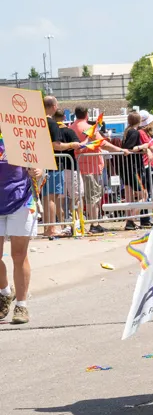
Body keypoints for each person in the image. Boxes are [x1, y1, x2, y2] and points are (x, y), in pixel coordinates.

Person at [0, 132, 42, 325]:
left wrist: (38, 171)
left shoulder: (19, 132)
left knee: (19, 255)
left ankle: (21, 305)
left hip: (21, 201)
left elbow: (39, 163)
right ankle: (5, 292)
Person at [70, 107, 126, 234]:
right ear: (86, 114)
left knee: (84, 197)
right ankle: (94, 223)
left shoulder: (71, 127)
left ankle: (89, 223)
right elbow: (103, 144)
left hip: (78, 165)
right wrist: (121, 150)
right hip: (91, 166)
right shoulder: (90, 129)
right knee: (93, 197)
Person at [42, 96, 81, 237]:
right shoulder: (52, 123)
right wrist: (72, 144)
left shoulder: (39, 121)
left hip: (43, 164)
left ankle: (47, 228)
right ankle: (51, 228)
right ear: (53, 106)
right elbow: (56, 145)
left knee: (46, 198)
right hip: (54, 164)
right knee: (52, 198)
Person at [53, 110, 80, 235]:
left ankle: (63, 224)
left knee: (59, 198)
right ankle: (77, 224)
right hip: (70, 166)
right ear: (64, 117)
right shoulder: (69, 131)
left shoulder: (51, 132)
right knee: (76, 197)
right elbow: (77, 145)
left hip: (56, 167)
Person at [121, 111, 148, 231]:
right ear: (139, 120)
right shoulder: (134, 132)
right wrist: (143, 146)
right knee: (144, 195)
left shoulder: (127, 131)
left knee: (129, 196)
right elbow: (129, 148)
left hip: (127, 167)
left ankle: (130, 220)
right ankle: (131, 219)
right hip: (133, 167)